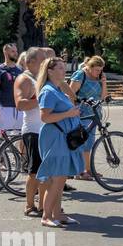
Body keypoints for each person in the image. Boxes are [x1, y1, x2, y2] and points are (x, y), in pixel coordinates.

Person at [36, 55, 82, 227]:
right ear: (50, 71)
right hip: (54, 138)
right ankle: (46, 216)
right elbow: (45, 117)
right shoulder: (48, 91)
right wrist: (68, 114)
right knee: (58, 178)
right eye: (60, 68)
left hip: (61, 137)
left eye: (64, 67)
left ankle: (57, 213)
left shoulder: (56, 89)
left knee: (60, 179)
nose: (64, 70)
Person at [14, 48, 44, 217]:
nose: (45, 62)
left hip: (45, 129)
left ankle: (43, 205)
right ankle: (29, 205)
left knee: (44, 171)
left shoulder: (40, 79)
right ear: (30, 62)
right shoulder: (24, 79)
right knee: (34, 171)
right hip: (33, 130)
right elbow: (20, 104)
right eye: (42, 60)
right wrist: (41, 98)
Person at [67, 56, 107, 179]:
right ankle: (79, 171)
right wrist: (73, 111)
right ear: (89, 67)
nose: (98, 73)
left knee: (88, 144)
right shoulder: (80, 75)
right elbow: (70, 94)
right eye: (97, 70)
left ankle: (88, 169)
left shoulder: (98, 77)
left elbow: (102, 97)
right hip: (81, 114)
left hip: (94, 114)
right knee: (80, 143)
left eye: (100, 70)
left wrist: (104, 82)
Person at [0, 43, 24, 137]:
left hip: (19, 109)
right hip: (5, 109)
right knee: (2, 139)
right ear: (5, 52)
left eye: (16, 51)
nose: (15, 53)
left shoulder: (20, 70)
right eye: (13, 51)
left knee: (20, 138)